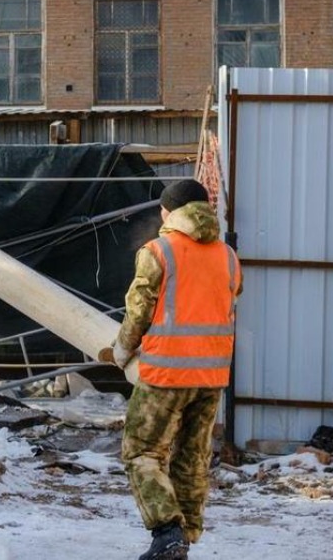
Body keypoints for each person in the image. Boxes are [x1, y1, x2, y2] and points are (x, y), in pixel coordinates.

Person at [107, 179, 242, 560]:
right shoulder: (229, 256)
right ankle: (186, 534)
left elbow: (139, 313)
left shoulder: (158, 251)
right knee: (191, 457)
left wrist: (121, 350)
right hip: (212, 375)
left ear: (169, 211)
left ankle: (167, 532)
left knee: (141, 452)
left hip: (165, 373)